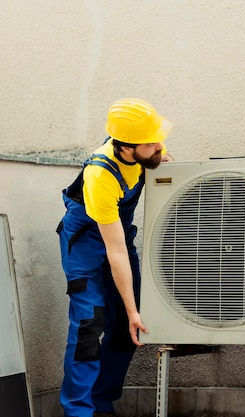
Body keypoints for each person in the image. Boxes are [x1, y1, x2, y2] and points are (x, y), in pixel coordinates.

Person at [56, 98, 174, 417]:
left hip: (118, 237)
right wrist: (133, 308)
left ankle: (101, 401)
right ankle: (79, 411)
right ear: (125, 147)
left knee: (126, 326)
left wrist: (158, 158)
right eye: (151, 143)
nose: (159, 145)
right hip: (87, 244)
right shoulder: (101, 175)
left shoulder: (138, 153)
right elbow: (115, 251)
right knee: (88, 324)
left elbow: (121, 244)